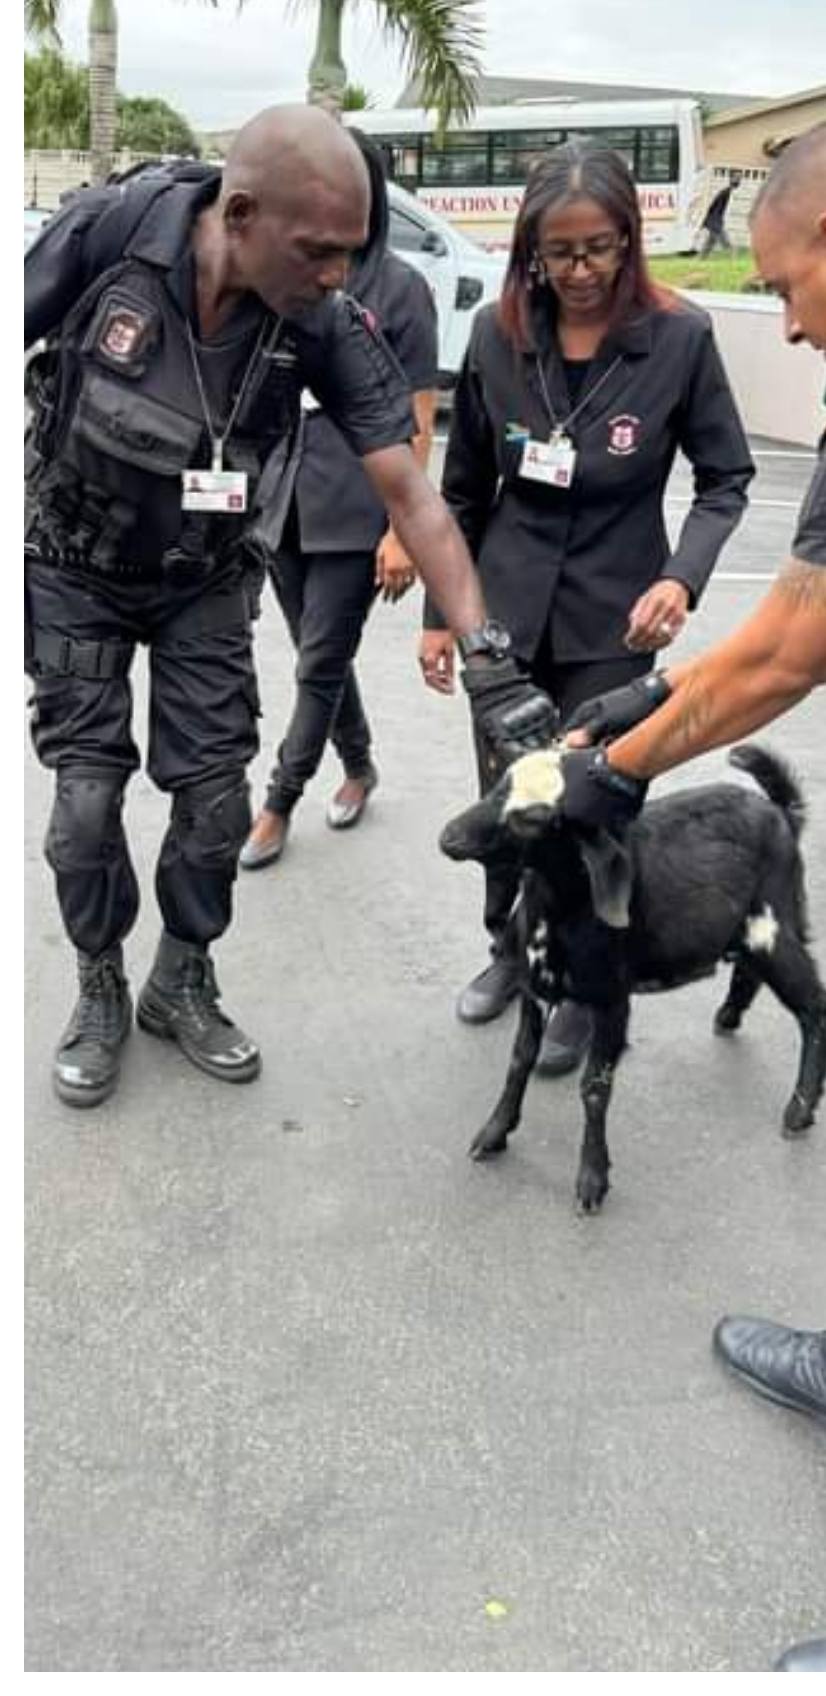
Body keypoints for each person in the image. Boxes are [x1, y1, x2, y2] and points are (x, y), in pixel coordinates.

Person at [553, 118, 826, 1671]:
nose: (782, 320)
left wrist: (617, 772)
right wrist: (650, 708)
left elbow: (790, 647)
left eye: (787, 286)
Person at [25, 104, 550, 1110]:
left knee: (217, 802)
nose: (338, 275)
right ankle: (99, 984)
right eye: (319, 251)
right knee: (85, 809)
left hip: (206, 579)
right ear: (241, 210)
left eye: (352, 254)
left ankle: (180, 980)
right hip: (72, 566)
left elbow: (413, 495)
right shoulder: (111, 234)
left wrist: (486, 655)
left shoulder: (320, 319)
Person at [421, 136, 755, 1077]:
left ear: (628, 241)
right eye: (556, 253)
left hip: (617, 623)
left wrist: (679, 578)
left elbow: (727, 479)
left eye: (598, 248)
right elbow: (460, 490)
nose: (577, 271)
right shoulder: (497, 335)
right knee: (509, 807)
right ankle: (507, 955)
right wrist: (440, 619)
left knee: (595, 817)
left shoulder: (680, 339)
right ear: (529, 248)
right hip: (505, 620)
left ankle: (582, 983)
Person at [239, 131, 439, 870]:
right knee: (319, 655)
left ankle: (279, 800)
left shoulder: (402, 290)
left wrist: (401, 531)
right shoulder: (283, 277)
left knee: (319, 661)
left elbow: (418, 420)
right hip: (282, 499)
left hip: (358, 507)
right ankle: (359, 765)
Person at [697, 175, 739, 256]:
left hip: (713, 220)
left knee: (711, 241)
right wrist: (717, 221)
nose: (737, 182)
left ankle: (701, 258)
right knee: (725, 240)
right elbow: (716, 207)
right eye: (736, 180)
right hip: (715, 221)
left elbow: (715, 207)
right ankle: (733, 256)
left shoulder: (726, 192)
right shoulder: (726, 192)